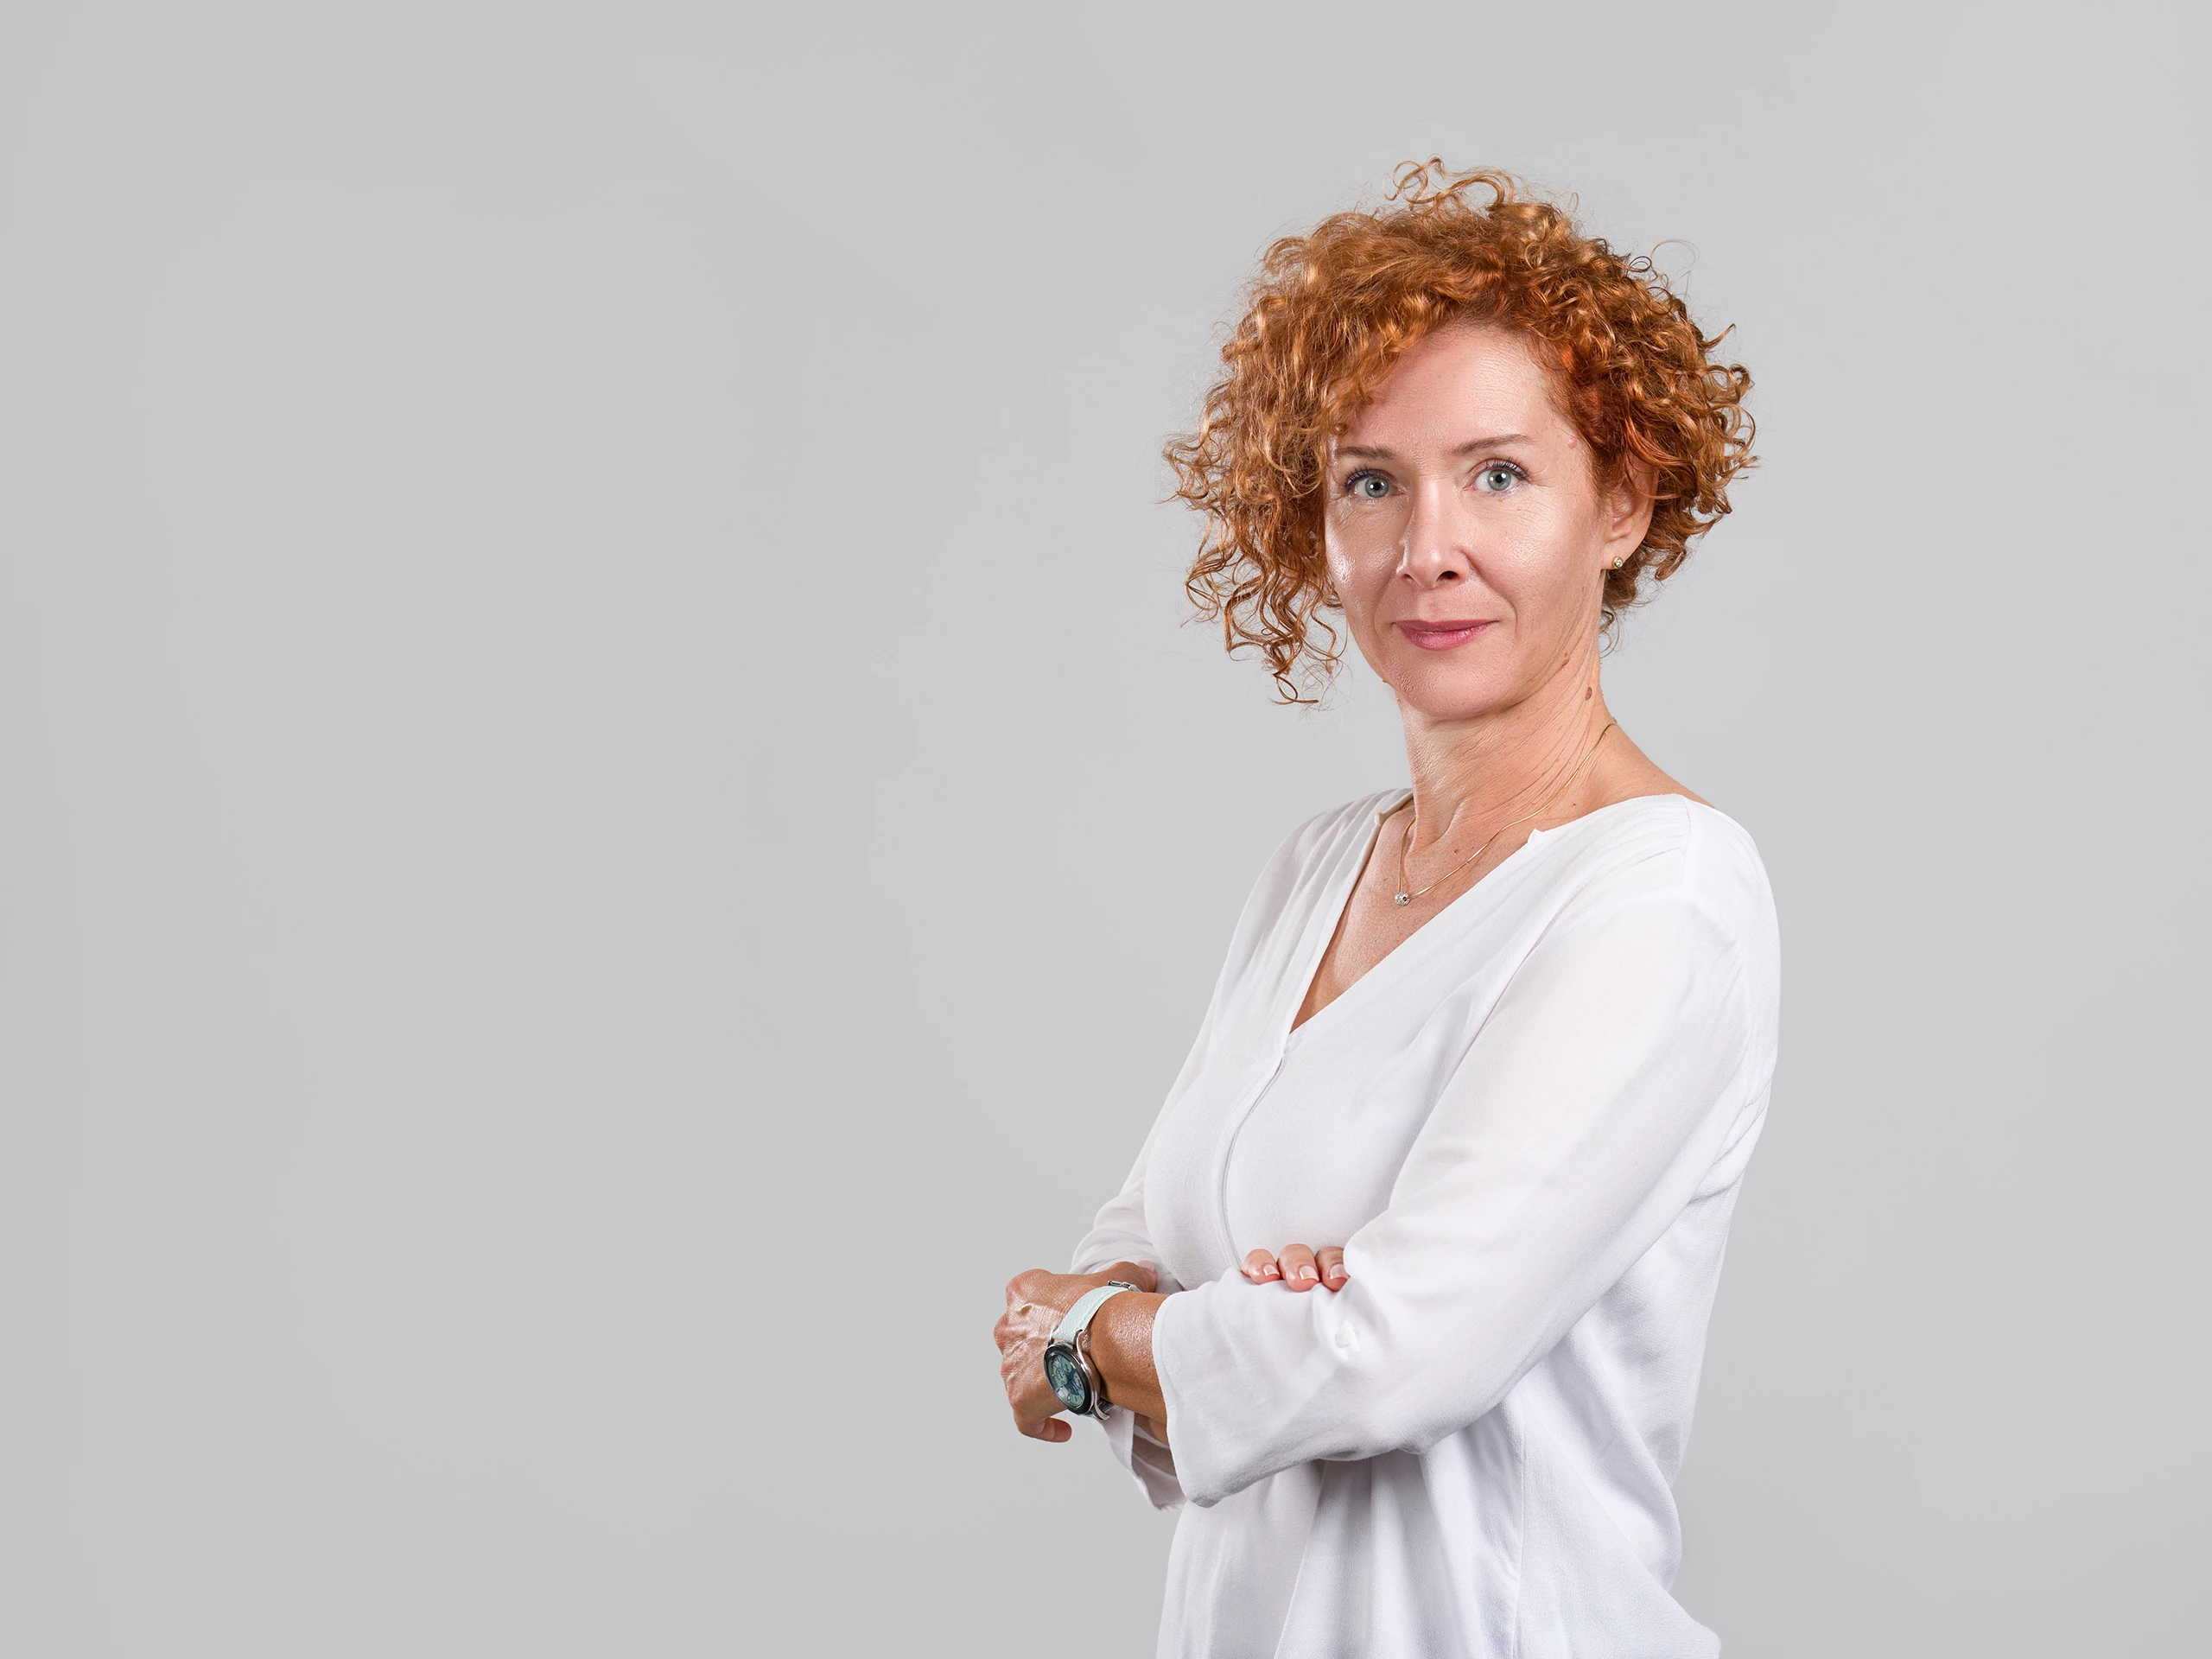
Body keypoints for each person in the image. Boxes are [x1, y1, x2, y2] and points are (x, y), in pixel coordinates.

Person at [993, 162, 1777, 1658]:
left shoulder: (1660, 898)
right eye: (1373, 481)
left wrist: (1098, 1338)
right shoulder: (1320, 869)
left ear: (1619, 501)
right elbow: (1141, 1238)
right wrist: (1208, 1319)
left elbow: (1390, 1355)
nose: (1430, 549)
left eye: (1498, 474)